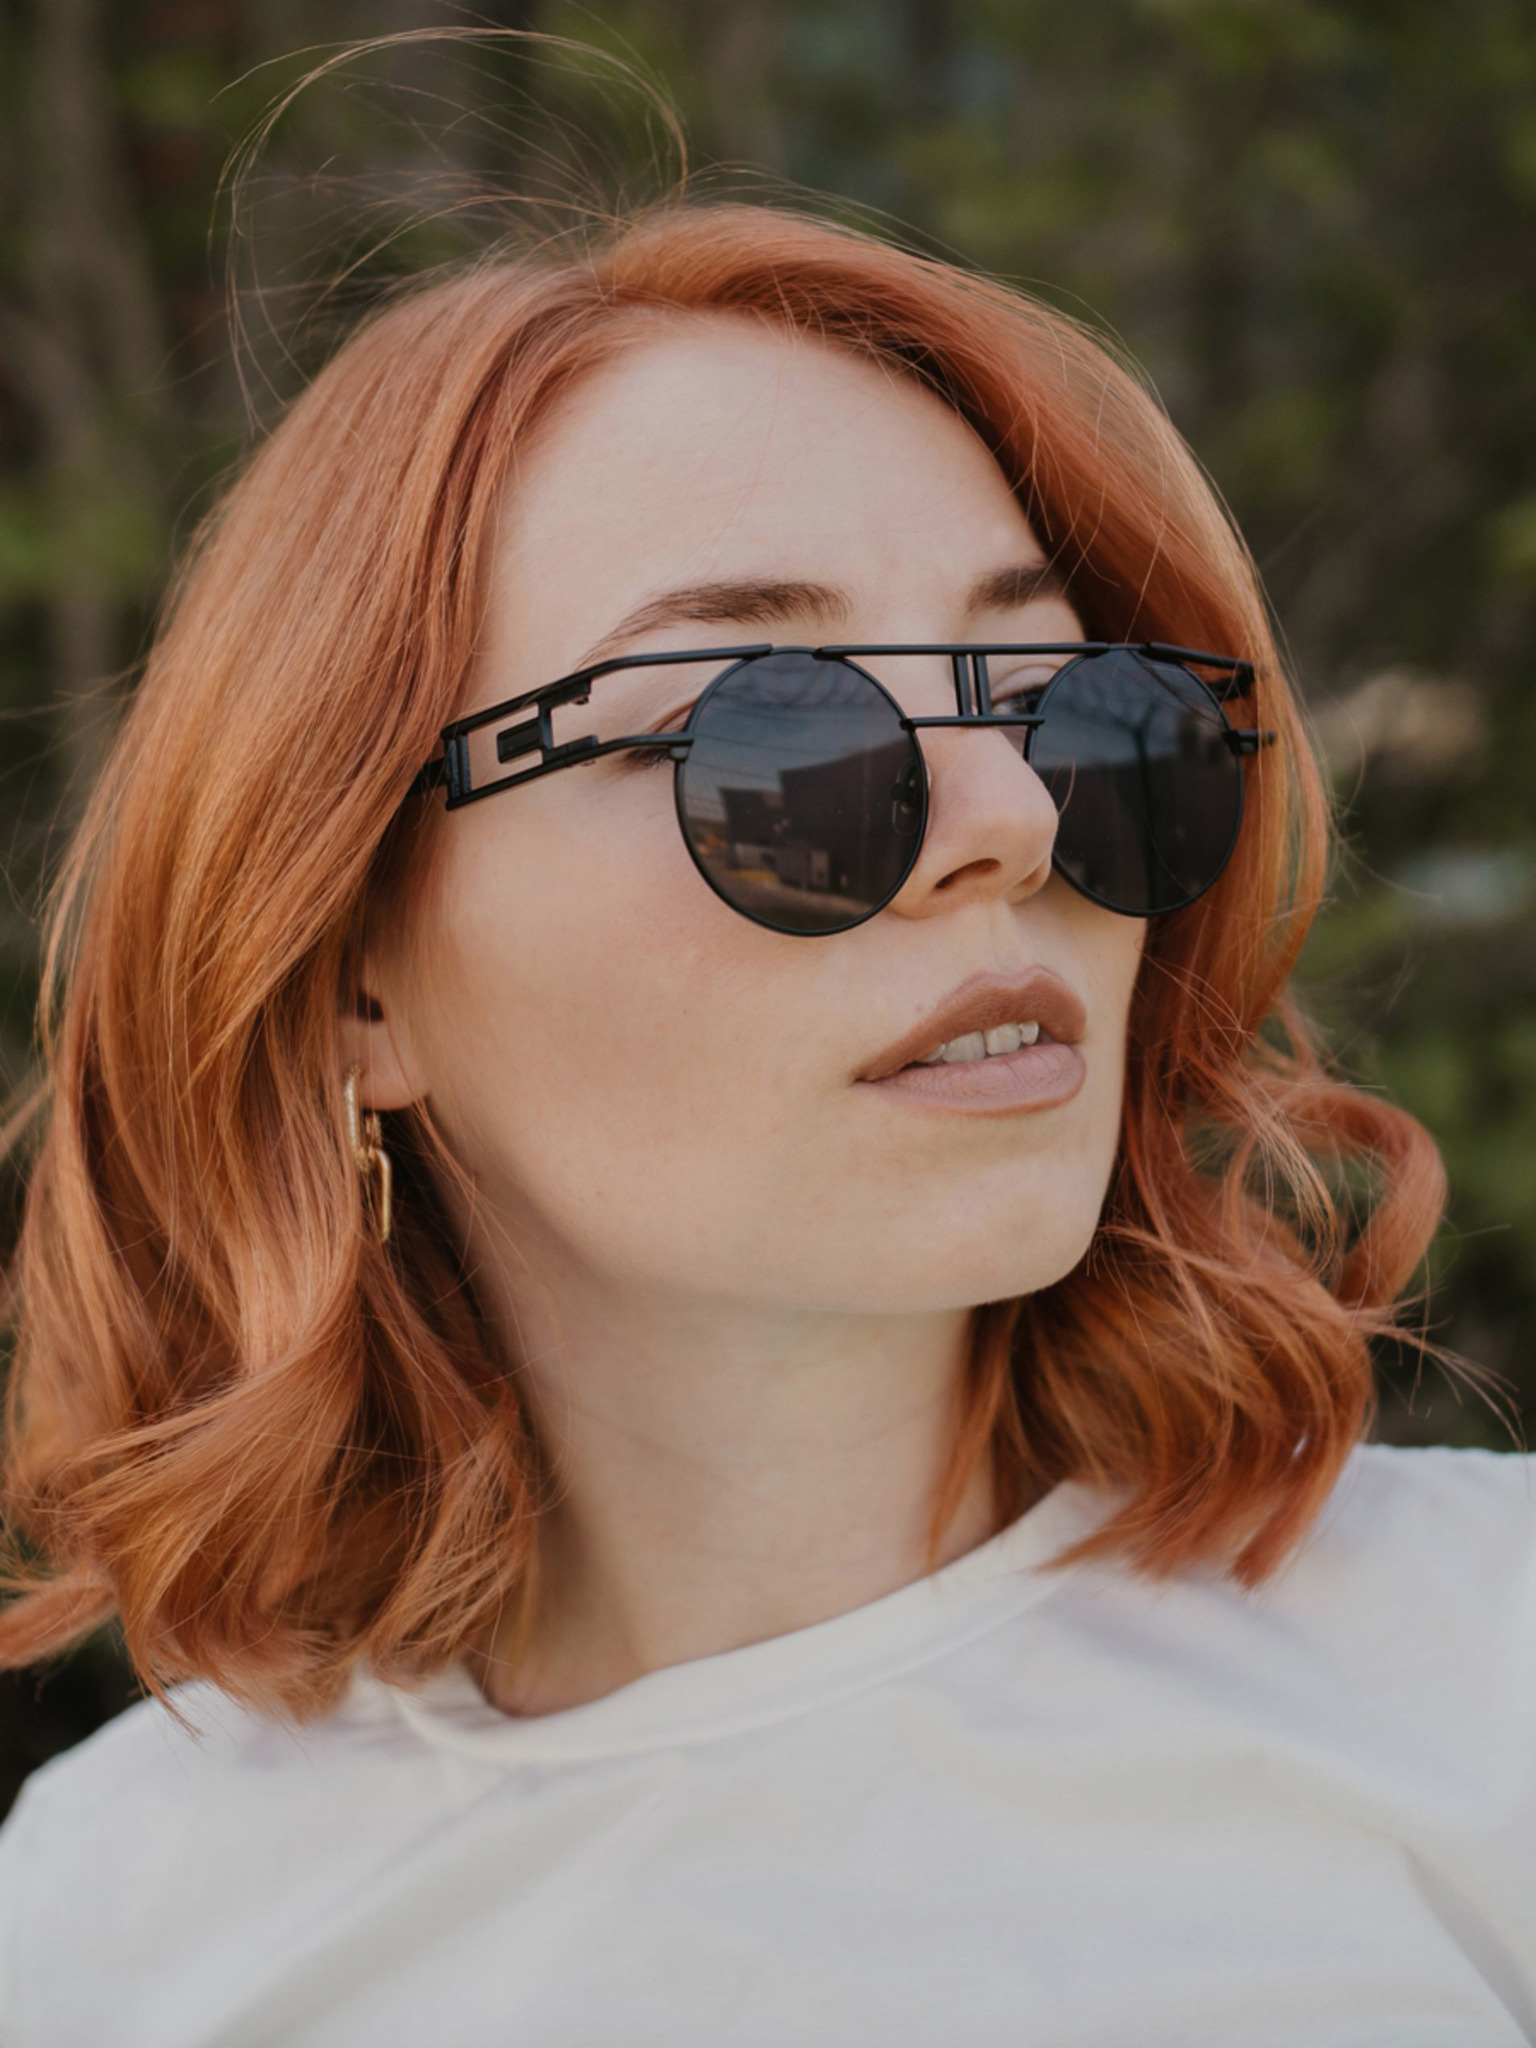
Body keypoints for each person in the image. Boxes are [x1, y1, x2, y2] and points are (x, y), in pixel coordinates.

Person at [0, 189, 1531, 2048]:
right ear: (352, 979)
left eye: (1064, 703)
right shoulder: (106, 1934)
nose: (1013, 822)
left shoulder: (1487, 1670)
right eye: (768, 735)